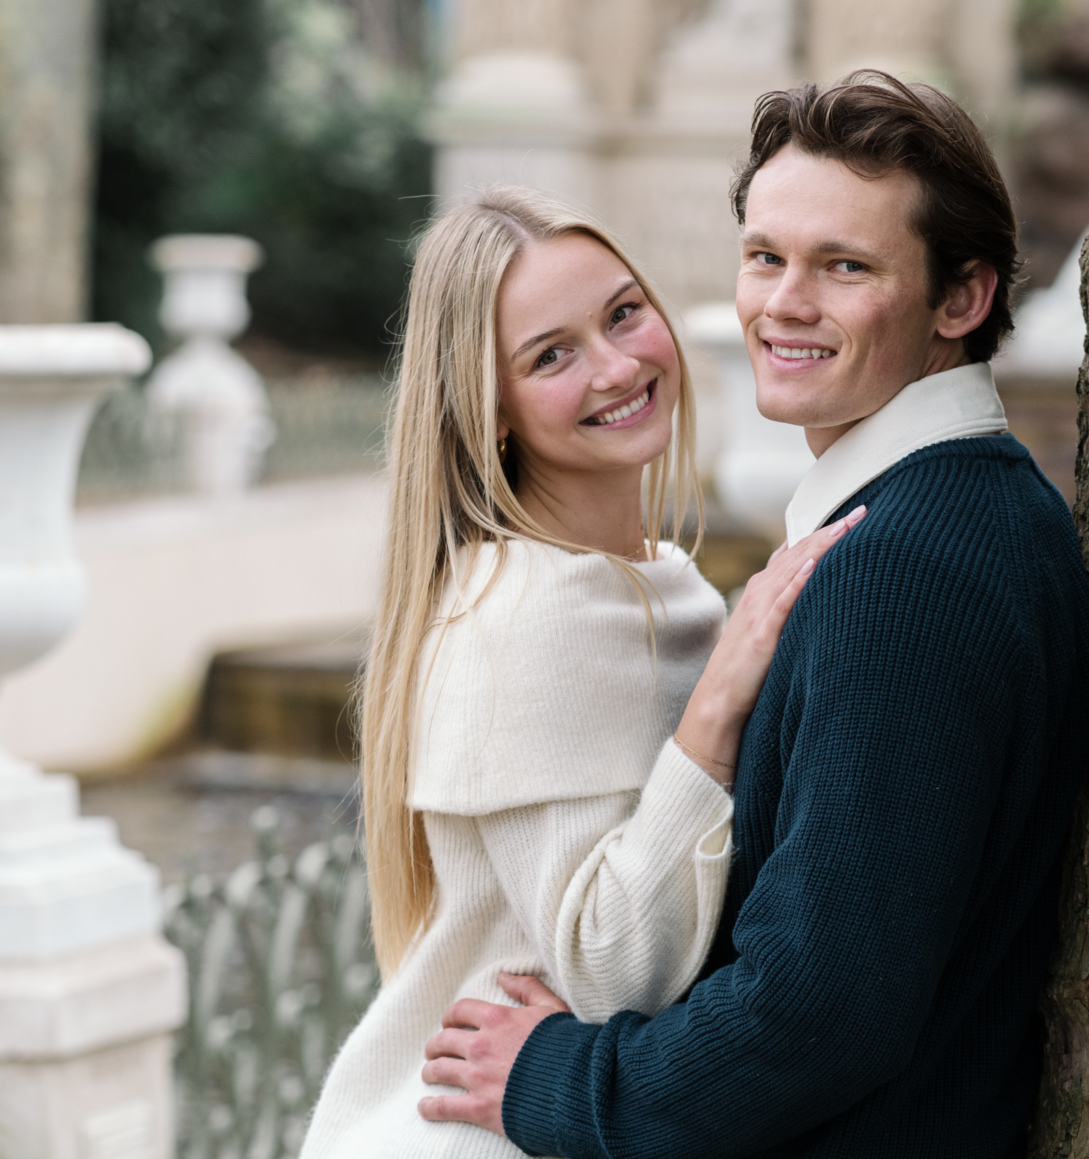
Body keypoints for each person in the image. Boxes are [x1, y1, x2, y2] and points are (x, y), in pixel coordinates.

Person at [419, 73, 1089, 1158]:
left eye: (845, 267)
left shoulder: (903, 571)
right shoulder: (980, 500)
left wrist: (557, 1079)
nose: (783, 302)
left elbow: (817, 1010)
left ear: (961, 298)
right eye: (765, 255)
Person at [298, 188, 861, 1159]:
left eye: (622, 313)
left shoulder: (659, 584)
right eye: (550, 355)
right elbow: (607, 973)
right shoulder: (524, 613)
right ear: (492, 409)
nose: (616, 365)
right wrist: (716, 710)